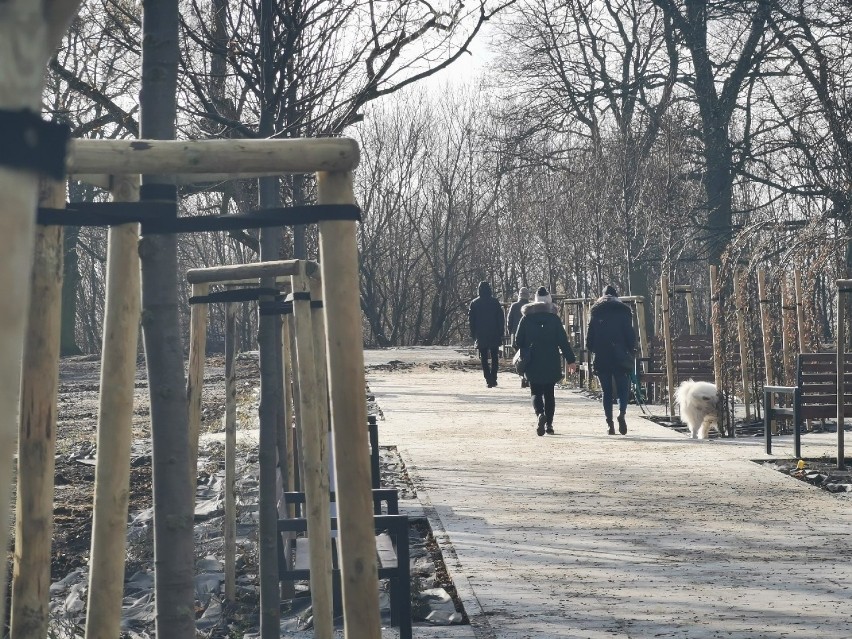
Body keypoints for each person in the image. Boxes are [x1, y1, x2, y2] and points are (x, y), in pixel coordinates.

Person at [514, 287, 577, 436]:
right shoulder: (554, 319)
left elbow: (517, 341)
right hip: (551, 360)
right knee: (549, 393)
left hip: (532, 360)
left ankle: (539, 414)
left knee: (535, 391)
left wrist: (525, 348)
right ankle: (549, 424)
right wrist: (571, 360)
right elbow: (563, 342)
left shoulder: (526, 318)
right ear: (549, 302)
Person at [586, 285, 636, 435]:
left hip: (602, 356)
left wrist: (594, 349)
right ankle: (621, 413)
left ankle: (610, 424)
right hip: (620, 355)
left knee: (606, 391)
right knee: (622, 389)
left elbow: (589, 340)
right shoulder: (624, 311)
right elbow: (630, 335)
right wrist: (629, 349)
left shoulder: (595, 311)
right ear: (616, 296)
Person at [469, 280, 505, 388]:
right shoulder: (495, 302)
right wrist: (501, 331)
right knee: (495, 356)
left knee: (483, 357)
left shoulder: (474, 303)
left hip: (481, 333)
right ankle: (493, 377)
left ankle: (488, 378)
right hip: (494, 332)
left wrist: (473, 333)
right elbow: (500, 318)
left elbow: (471, 320)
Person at [507, 287, 531, 387]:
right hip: (528, 337)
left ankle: (522, 376)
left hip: (515, 337)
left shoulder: (514, 306)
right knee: (527, 358)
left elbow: (509, 321)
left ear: (519, 295)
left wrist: (510, 332)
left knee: (519, 358)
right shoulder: (531, 306)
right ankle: (526, 376)